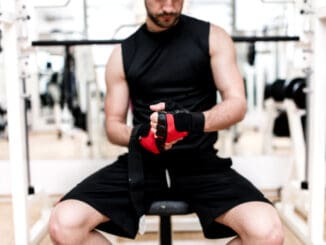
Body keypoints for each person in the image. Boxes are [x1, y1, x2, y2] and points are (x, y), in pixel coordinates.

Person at [48, 0, 284, 244]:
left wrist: (188, 122)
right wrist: (141, 137)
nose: (169, 7)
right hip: (141, 166)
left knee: (267, 233)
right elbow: (113, 124)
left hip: (201, 165)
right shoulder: (123, 53)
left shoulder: (214, 37)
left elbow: (237, 104)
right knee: (63, 224)